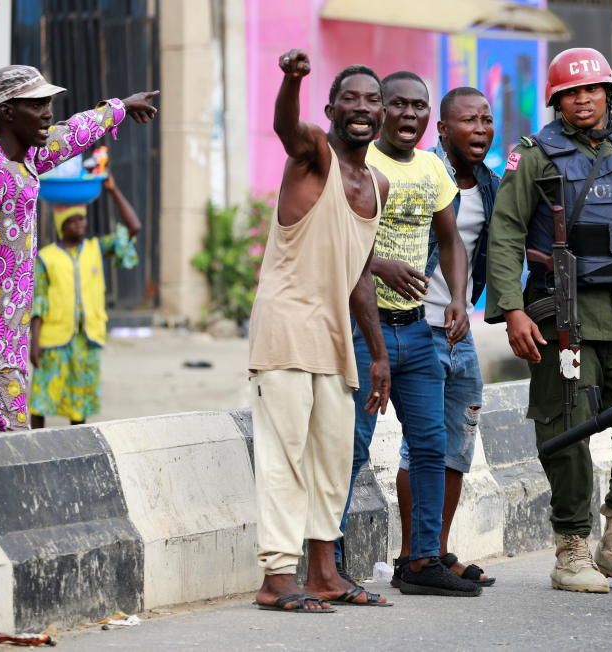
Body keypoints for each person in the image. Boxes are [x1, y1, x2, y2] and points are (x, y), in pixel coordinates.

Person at [485, 47, 612, 594]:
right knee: (567, 427)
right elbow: (506, 233)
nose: (582, 99)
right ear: (557, 102)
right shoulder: (535, 156)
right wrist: (512, 310)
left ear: (608, 95)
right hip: (562, 315)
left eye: (591, 90)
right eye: (570, 93)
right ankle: (570, 548)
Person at [247, 50, 393, 613]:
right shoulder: (313, 156)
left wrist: (378, 356)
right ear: (331, 109)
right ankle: (278, 577)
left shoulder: (377, 184)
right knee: (285, 455)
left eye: (371, 100)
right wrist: (291, 79)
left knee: (332, 456)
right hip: (285, 327)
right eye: (351, 99)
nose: (363, 108)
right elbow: (286, 126)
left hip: (335, 338)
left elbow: (359, 274)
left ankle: (325, 571)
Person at [0, 64, 158, 436]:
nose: (48, 113)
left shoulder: (25, 159)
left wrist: (119, 107)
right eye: (38, 105)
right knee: (8, 444)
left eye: (49, 103)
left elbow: (70, 134)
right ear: (7, 112)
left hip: (9, 333)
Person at [336, 71, 481, 598]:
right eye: (397, 105)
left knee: (430, 448)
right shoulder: (358, 163)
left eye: (419, 107)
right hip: (360, 330)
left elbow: (452, 241)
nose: (409, 116)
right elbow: (334, 241)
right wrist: (380, 265)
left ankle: (420, 561)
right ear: (380, 112)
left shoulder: (431, 168)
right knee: (350, 450)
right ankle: (329, 562)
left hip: (417, 330)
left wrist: (460, 300)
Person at [393, 87, 500, 587]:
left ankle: (435, 552)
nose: (480, 129)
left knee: (456, 446)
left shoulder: (492, 187)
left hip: (460, 336)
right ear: (442, 129)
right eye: (468, 121)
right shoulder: (421, 175)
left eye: (486, 120)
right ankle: (412, 556)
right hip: (415, 328)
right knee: (421, 448)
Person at [28, 170, 142, 428]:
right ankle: (33, 442)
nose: (81, 224)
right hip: (53, 340)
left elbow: (134, 227)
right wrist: (34, 343)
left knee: (79, 402)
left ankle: (79, 444)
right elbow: (39, 302)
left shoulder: (95, 249)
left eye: (83, 219)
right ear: (62, 225)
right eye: (74, 220)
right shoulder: (46, 258)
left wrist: (112, 190)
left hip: (86, 338)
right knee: (41, 398)